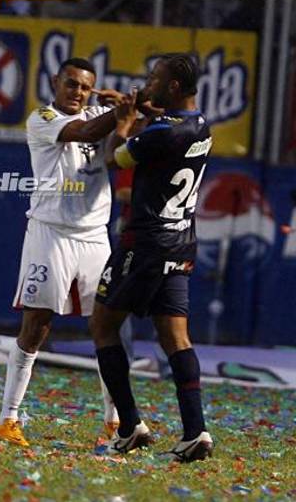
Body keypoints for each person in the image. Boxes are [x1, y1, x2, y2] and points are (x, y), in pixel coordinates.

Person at [0, 59, 126, 447]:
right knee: (37, 326)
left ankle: (115, 424)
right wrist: (122, 112)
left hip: (95, 237)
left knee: (107, 328)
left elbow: (133, 133)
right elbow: (86, 130)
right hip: (50, 234)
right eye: (71, 84)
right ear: (55, 82)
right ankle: (7, 419)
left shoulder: (104, 113)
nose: (77, 92)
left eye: (85, 87)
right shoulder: (43, 118)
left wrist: (138, 107)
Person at [91, 54, 214, 463]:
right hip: (180, 244)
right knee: (175, 337)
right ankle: (196, 431)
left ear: (174, 86)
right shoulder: (201, 125)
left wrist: (123, 124)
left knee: (103, 325)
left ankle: (129, 426)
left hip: (144, 244)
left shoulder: (161, 134)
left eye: (155, 78)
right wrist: (137, 105)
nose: (148, 82)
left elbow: (116, 158)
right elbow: (166, 121)